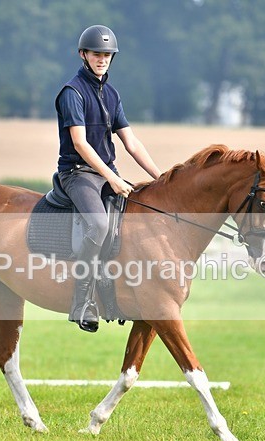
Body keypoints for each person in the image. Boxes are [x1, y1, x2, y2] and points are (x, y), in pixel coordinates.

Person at [55, 24, 162, 332]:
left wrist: (162, 178)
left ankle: (114, 297)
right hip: (78, 173)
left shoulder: (112, 95)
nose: (102, 59)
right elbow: (80, 143)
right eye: (96, 54)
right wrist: (111, 177)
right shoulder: (71, 93)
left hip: (106, 174)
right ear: (83, 55)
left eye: (107, 55)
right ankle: (81, 303)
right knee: (99, 224)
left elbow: (132, 143)